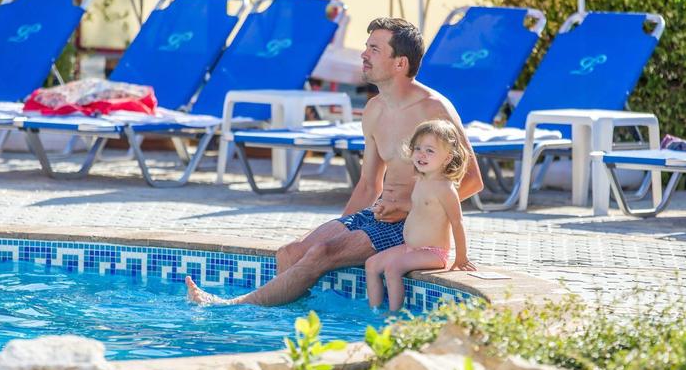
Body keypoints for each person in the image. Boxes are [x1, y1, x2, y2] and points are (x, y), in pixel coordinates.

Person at [186, 17, 483, 306]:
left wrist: (410, 208)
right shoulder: (374, 109)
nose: (364, 55)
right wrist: (345, 227)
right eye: (366, 47)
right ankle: (288, 324)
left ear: (400, 63)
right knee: (290, 253)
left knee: (320, 253)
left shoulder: (433, 108)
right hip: (375, 214)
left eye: (374, 50)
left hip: (406, 225)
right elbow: (369, 185)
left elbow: (471, 180)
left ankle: (232, 306)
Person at [366, 119, 472, 312]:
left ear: (447, 158)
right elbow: (417, 207)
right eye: (417, 148)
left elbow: (457, 222)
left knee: (392, 269)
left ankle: (393, 315)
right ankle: (374, 311)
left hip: (433, 252)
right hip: (411, 248)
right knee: (372, 264)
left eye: (430, 150)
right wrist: (390, 205)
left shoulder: (445, 188)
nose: (421, 154)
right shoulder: (421, 180)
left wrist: (461, 257)